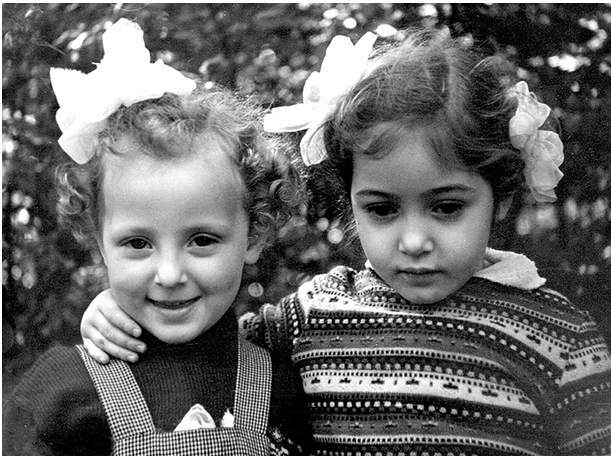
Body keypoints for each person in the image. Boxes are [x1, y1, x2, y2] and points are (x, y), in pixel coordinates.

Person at [77, 27, 611, 455]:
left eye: (447, 208)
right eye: (382, 209)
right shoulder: (311, 316)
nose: (414, 240)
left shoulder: (559, 336)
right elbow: (203, 339)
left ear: (501, 198)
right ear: (350, 199)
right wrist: (117, 310)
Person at [2, 18, 311, 456]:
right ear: (99, 242)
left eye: (201, 240)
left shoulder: (284, 388)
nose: (168, 274)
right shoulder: (61, 393)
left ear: (254, 234)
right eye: (138, 244)